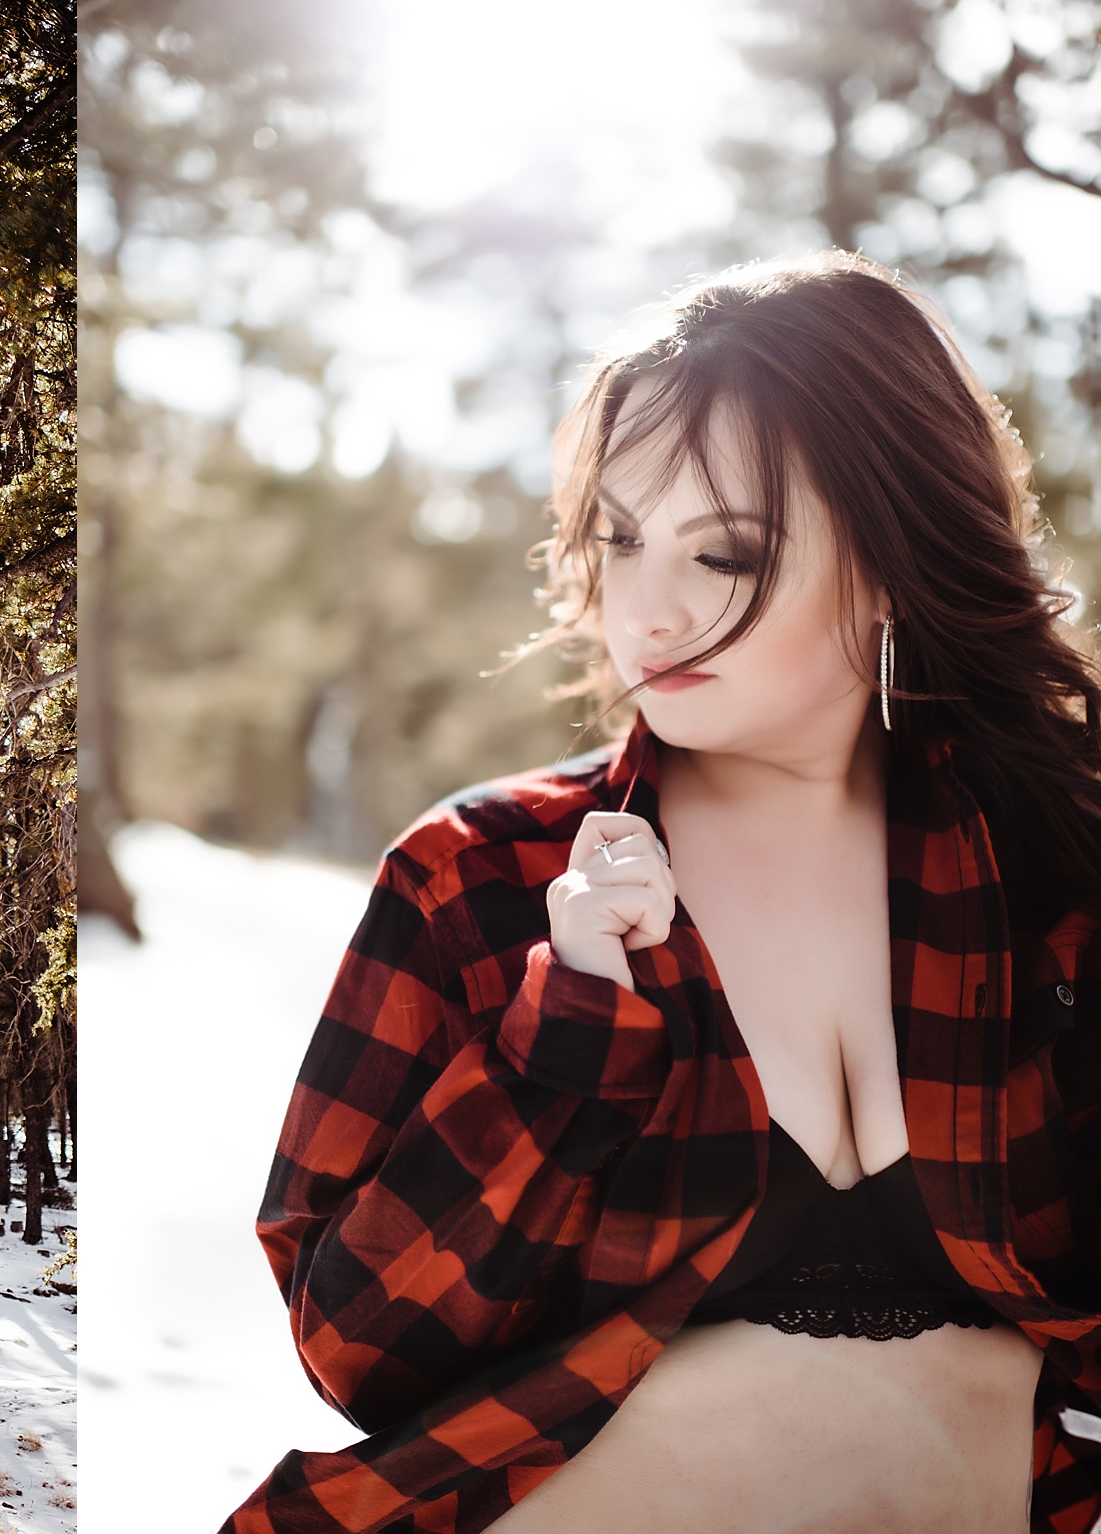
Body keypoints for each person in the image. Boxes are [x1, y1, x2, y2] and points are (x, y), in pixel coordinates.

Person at [223, 252, 1101, 1534]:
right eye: (619, 539)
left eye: (725, 553)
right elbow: (360, 1352)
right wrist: (562, 1036)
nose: (644, 607)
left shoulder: (1052, 875)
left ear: (892, 558)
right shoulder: (479, 876)